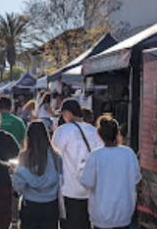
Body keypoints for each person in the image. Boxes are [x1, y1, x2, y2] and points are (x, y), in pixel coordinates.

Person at [79, 116, 140, 229]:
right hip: (124, 211)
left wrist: (81, 169)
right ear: (117, 133)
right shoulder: (129, 153)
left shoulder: (95, 155)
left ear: (99, 134)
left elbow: (87, 182)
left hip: (101, 213)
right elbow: (136, 179)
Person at [52, 98, 104, 229]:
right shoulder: (94, 131)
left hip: (68, 189)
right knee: (85, 223)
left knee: (69, 224)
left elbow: (53, 157)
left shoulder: (63, 131)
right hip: (90, 189)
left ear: (68, 113)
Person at [13, 121, 62, 229]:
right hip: (51, 204)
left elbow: (17, 186)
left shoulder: (24, 157)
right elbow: (62, 180)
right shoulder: (56, 156)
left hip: (31, 205)